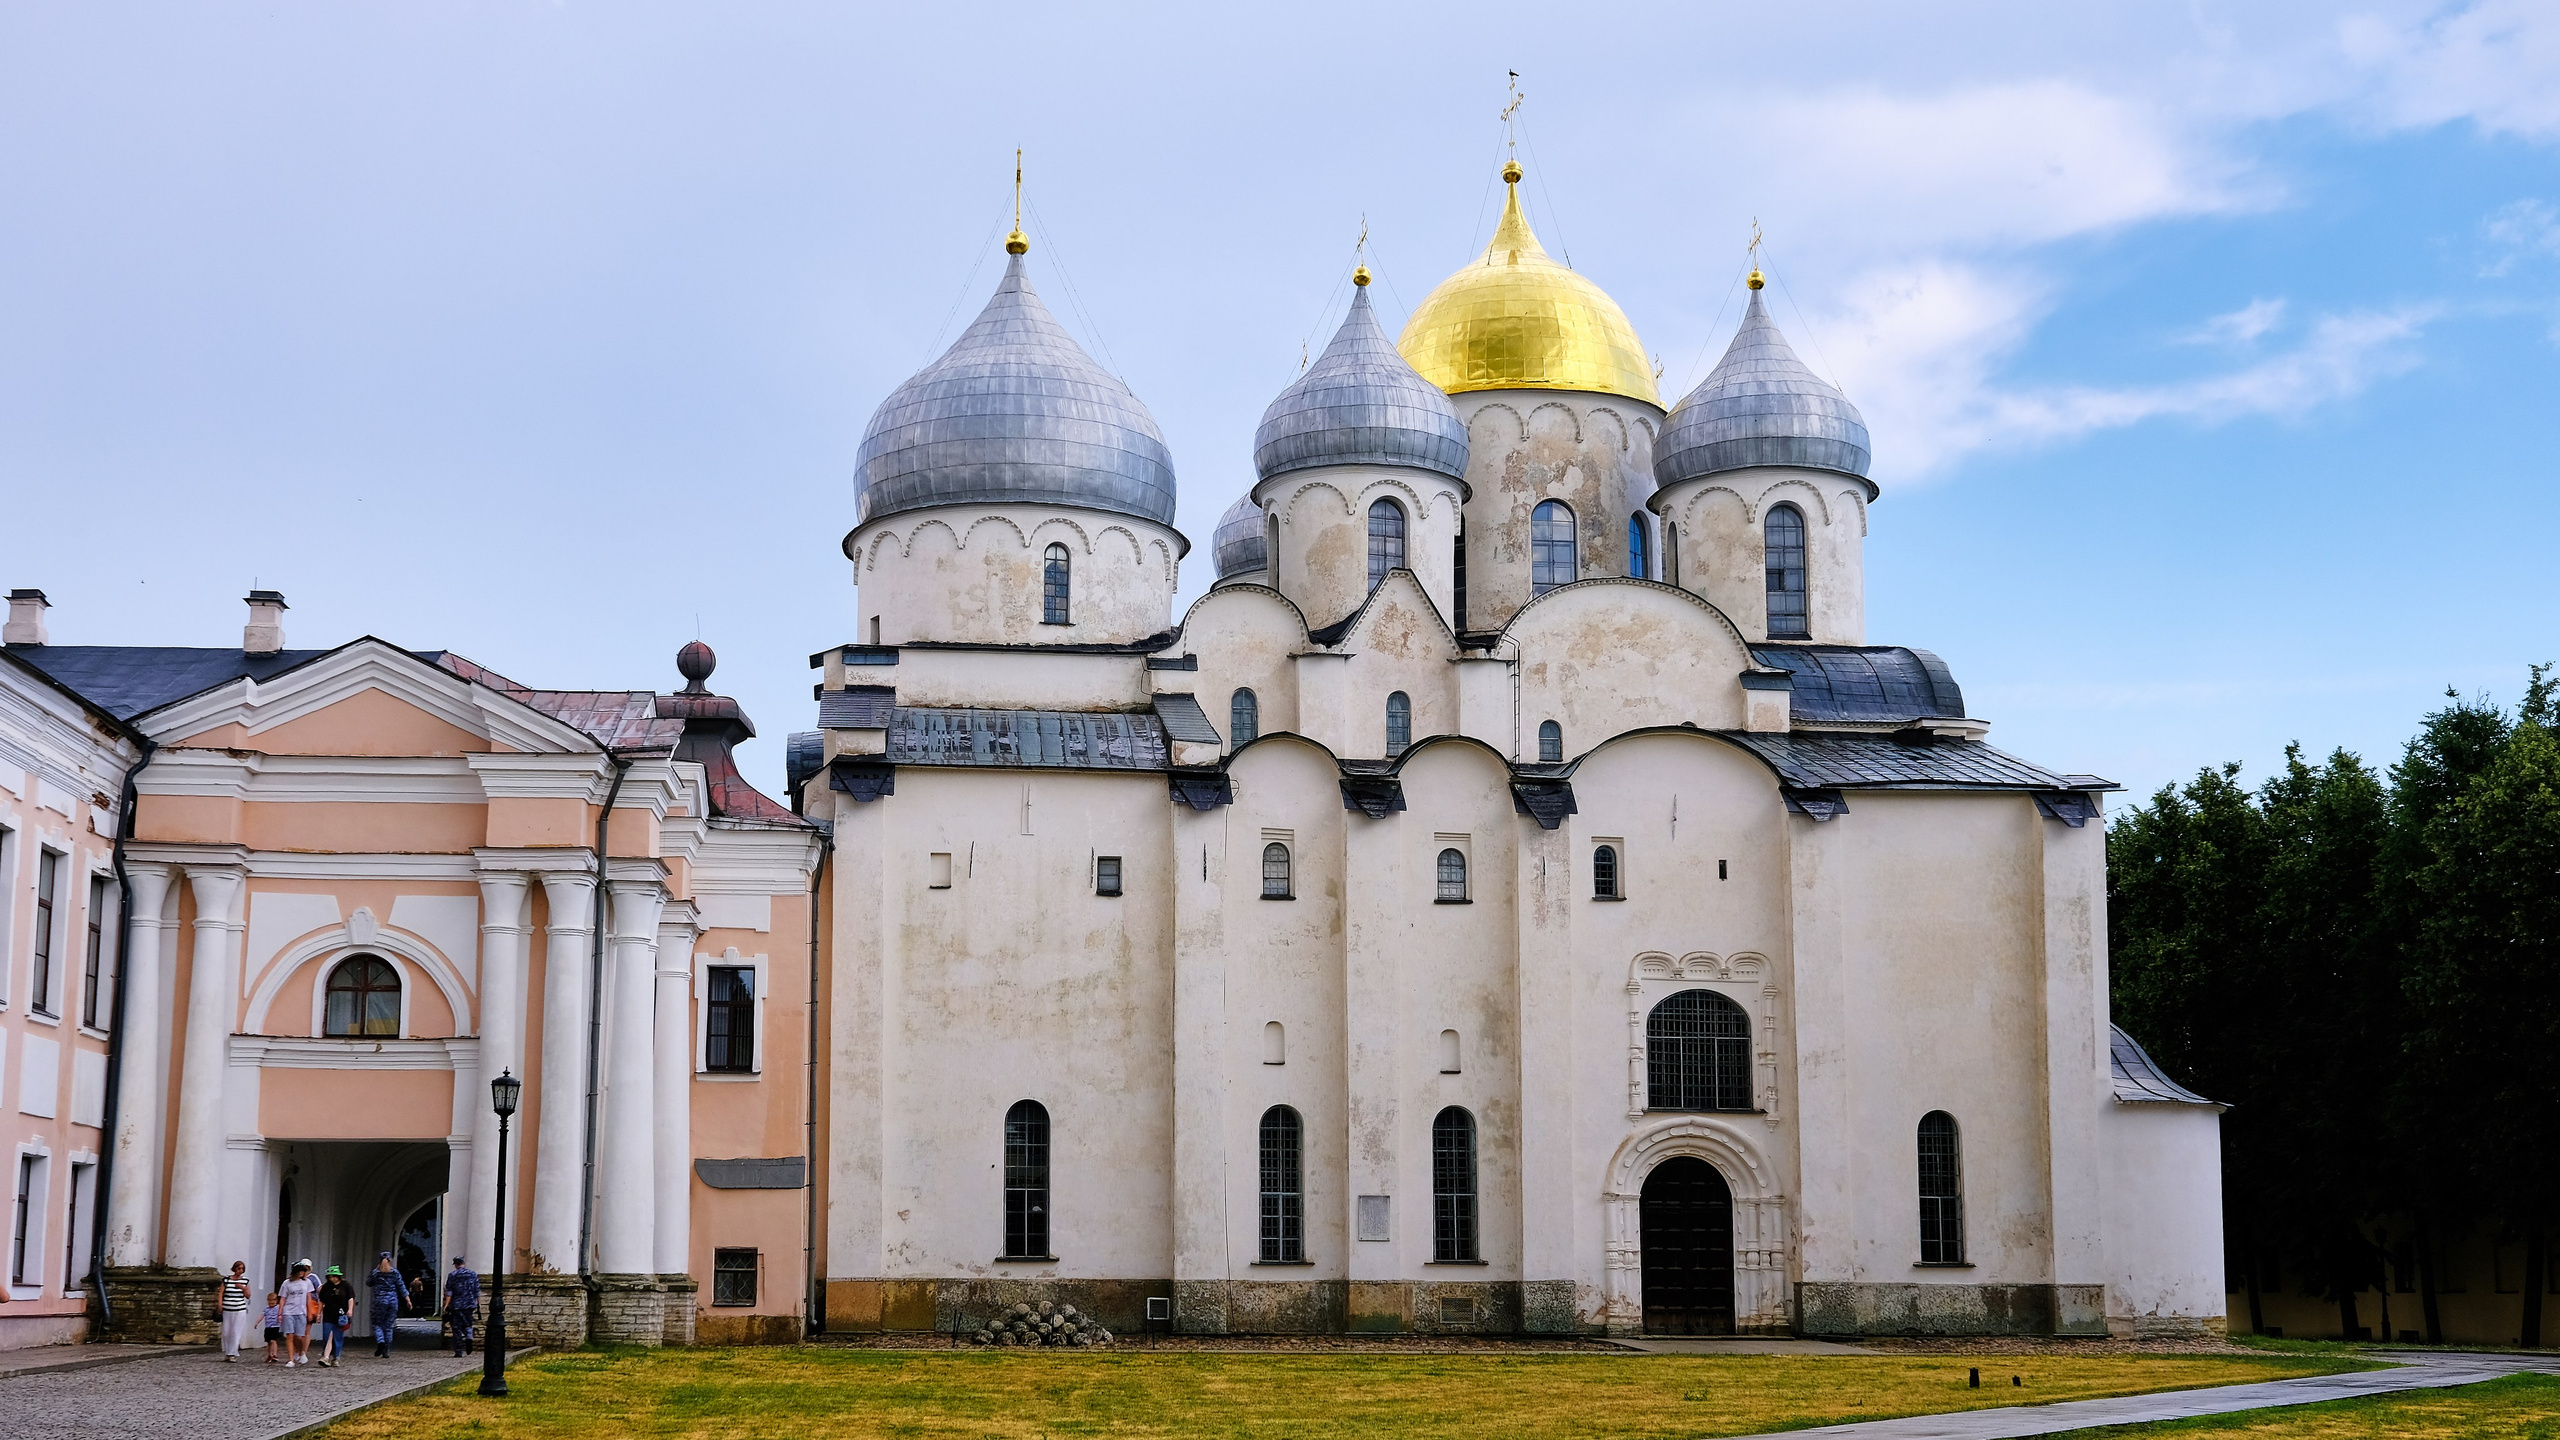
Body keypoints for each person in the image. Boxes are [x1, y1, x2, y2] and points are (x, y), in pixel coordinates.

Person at [214, 1261, 255, 1361]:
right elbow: (221, 1293)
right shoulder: (227, 1280)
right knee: (226, 1332)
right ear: (234, 1269)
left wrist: (243, 1288)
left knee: (236, 1331)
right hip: (227, 1308)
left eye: (242, 1269)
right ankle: (227, 1352)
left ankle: (232, 1353)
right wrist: (220, 1304)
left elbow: (248, 1296)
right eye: (238, 1268)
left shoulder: (245, 1281)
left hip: (239, 1309)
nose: (240, 1271)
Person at [367, 1252, 404, 1357]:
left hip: (379, 1301)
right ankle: (386, 1351)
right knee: (388, 1326)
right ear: (390, 1260)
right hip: (392, 1301)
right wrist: (408, 1299)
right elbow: (401, 1286)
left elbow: (369, 1283)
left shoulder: (376, 1272)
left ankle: (380, 1341)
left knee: (377, 1324)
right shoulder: (394, 1272)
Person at [279, 1260, 315, 1367]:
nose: (302, 1273)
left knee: (300, 1336)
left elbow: (309, 1298)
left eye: (303, 1271)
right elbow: (283, 1298)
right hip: (288, 1311)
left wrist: (310, 1312)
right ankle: (291, 1359)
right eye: (300, 1271)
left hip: (301, 1312)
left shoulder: (307, 1282)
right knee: (289, 1335)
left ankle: (301, 1352)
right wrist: (280, 1312)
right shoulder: (286, 1283)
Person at [443, 1255, 480, 1357]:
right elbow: (477, 1290)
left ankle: (458, 1351)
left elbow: (449, 1292)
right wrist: (478, 1303)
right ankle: (469, 1336)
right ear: (463, 1263)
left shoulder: (452, 1275)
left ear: (455, 1265)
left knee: (456, 1328)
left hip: (457, 1305)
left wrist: (446, 1304)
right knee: (468, 1323)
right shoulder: (473, 1274)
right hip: (470, 1304)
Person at [317, 1265, 355, 1366]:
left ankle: (334, 1356)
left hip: (341, 1315)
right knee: (327, 1335)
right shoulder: (326, 1287)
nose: (331, 1278)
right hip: (328, 1313)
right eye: (329, 1276)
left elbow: (350, 1298)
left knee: (337, 1336)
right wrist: (318, 1313)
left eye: (333, 1276)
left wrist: (350, 1310)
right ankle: (326, 1356)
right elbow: (321, 1301)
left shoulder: (346, 1285)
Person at [262, 1293, 286, 1364]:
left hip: (275, 1326)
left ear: (276, 1301)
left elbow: (282, 1314)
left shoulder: (278, 1308)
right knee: (268, 1341)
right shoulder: (266, 1308)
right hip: (268, 1327)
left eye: (273, 1302)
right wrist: (257, 1322)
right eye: (269, 1302)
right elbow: (262, 1315)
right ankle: (269, 1355)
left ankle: (275, 1354)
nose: (271, 1303)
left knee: (273, 1340)